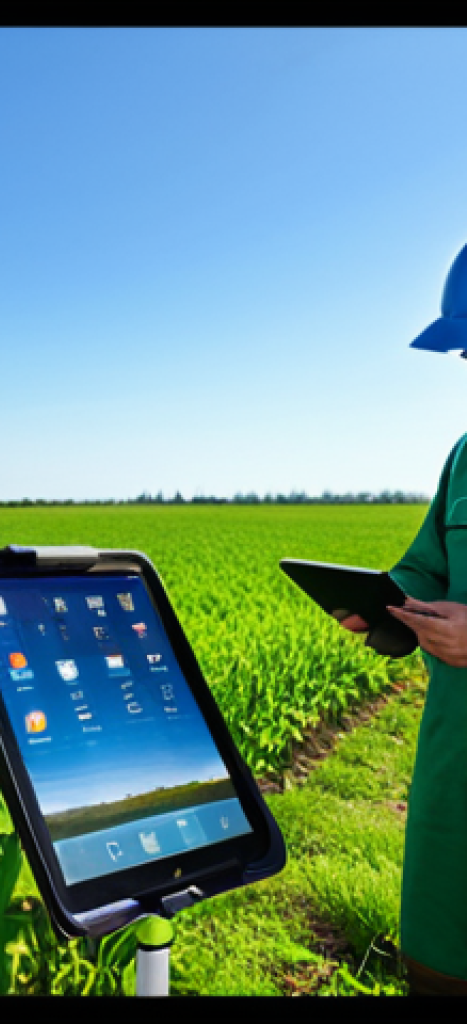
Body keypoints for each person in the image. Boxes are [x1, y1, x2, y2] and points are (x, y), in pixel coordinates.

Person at [341, 242, 467, 996]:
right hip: (456, 760)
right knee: (438, 961)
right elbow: (427, 566)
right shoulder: (466, 456)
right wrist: (382, 603)